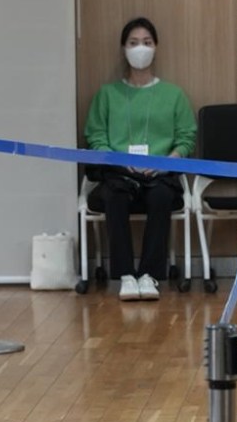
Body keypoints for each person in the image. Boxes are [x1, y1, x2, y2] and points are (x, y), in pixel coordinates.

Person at [84, 17, 196, 302]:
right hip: (119, 172)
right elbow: (96, 136)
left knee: (160, 197)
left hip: (160, 173)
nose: (140, 49)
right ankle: (125, 275)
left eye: (146, 43)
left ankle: (149, 275)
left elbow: (186, 138)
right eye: (133, 43)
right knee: (115, 195)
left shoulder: (174, 95)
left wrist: (165, 162)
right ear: (123, 48)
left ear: (156, 47)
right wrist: (120, 161)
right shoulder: (107, 94)